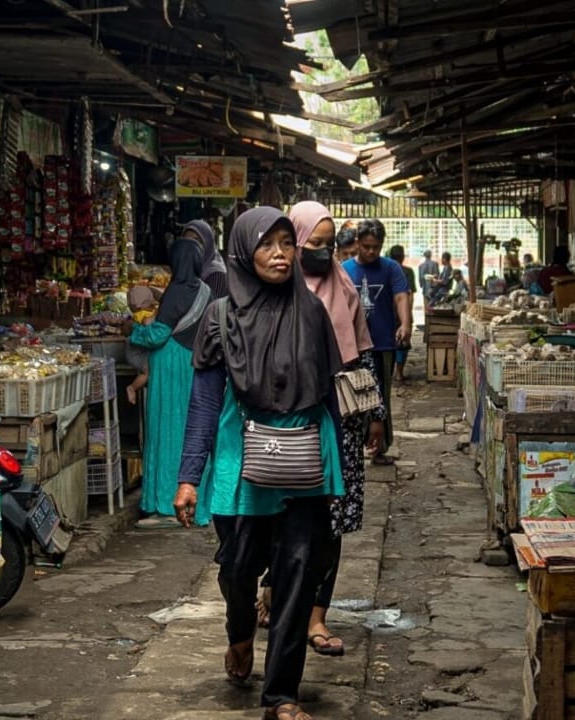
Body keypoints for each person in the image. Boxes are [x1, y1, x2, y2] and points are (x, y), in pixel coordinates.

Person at [174, 206, 343, 720]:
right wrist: (188, 477)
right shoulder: (220, 316)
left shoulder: (311, 311)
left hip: (304, 462)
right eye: (266, 244)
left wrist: (339, 470)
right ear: (244, 251)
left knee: (297, 575)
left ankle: (281, 696)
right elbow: (204, 401)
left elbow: (330, 395)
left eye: (287, 244)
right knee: (237, 569)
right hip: (239, 461)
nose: (279, 254)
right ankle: (240, 632)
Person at [277, 201, 386, 657]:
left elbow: (362, 355)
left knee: (331, 523)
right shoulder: (278, 290)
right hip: (288, 424)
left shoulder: (344, 288)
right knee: (282, 519)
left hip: (340, 423)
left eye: (327, 244)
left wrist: (375, 413)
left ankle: (317, 617)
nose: (322, 253)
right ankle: (277, 599)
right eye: (312, 245)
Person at [127, 236, 214, 525]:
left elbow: (158, 335)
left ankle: (165, 500)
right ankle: (196, 497)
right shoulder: (205, 291)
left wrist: (136, 328)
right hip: (194, 364)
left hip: (169, 367)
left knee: (165, 428)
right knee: (192, 430)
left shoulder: (175, 291)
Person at [342, 219, 412, 465]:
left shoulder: (391, 268)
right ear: (358, 243)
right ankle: (357, 445)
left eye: (376, 247)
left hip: (383, 343)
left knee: (381, 396)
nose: (371, 252)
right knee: (355, 396)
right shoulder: (345, 269)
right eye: (367, 246)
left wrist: (405, 324)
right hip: (352, 346)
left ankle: (380, 447)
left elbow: (401, 297)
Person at [387, 245, 417, 382]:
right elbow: (409, 295)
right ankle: (399, 372)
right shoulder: (408, 271)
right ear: (403, 257)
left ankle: (390, 371)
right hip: (401, 311)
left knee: (390, 342)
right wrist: (408, 314)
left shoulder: (386, 269)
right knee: (402, 342)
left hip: (388, 311)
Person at [124, 285, 157, 404]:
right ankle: (132, 388)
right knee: (148, 372)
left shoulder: (133, 316)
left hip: (133, 351)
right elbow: (147, 322)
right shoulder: (143, 315)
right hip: (137, 353)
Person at [186, 218, 229, 300]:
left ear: (207, 242)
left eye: (197, 240)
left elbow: (214, 309)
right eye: (187, 241)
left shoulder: (216, 274)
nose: (191, 246)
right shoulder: (191, 267)